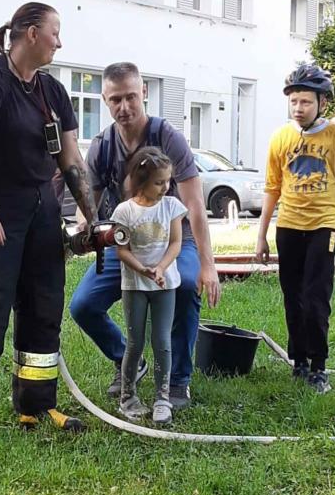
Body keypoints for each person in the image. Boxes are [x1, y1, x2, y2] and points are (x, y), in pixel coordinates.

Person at [0, 1, 98, 445]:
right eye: (56, 32)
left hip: (42, 210)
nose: (60, 41)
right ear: (31, 33)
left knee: (43, 304)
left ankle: (36, 405)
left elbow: (70, 159)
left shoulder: (52, 91)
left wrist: (91, 218)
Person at [69, 61, 221, 410]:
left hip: (173, 240)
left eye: (131, 97)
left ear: (144, 93)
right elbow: (86, 202)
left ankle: (178, 382)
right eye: (115, 100)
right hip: (127, 243)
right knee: (83, 305)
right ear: (105, 99)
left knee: (183, 285)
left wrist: (207, 266)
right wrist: (83, 225)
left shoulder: (169, 138)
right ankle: (130, 361)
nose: (124, 108)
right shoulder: (102, 146)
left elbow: (196, 205)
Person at [255, 63, 335, 394]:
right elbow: (272, 188)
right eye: (294, 102)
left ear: (322, 103)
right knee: (293, 297)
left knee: (316, 298)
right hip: (288, 226)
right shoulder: (281, 138)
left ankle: (318, 366)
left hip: (324, 226)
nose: (298, 108)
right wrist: (260, 236)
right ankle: (298, 360)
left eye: (306, 102)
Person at [111, 147, 187, 425]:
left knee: (162, 341)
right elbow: (122, 249)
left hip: (165, 284)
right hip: (134, 284)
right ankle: (128, 397)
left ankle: (162, 398)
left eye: (168, 181)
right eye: (159, 182)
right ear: (140, 180)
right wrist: (142, 269)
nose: (166, 187)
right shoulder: (125, 211)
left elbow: (176, 243)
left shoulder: (172, 207)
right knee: (135, 342)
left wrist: (161, 267)